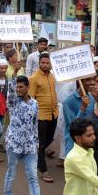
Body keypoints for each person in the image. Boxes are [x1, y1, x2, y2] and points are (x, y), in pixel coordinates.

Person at [45, 77, 96, 195]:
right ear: (79, 83)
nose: (92, 83)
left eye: (93, 81)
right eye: (88, 81)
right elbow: (73, 126)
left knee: (85, 187)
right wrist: (82, 108)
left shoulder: (92, 99)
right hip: (73, 149)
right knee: (77, 188)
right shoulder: (68, 102)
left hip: (88, 148)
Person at [3, 73, 45, 195]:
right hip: (14, 145)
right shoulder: (13, 101)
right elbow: (10, 91)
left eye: (21, 87)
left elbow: (35, 124)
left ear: (28, 87)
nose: (18, 89)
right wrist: (14, 74)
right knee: (11, 172)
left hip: (30, 147)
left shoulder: (34, 103)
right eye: (17, 87)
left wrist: (36, 143)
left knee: (33, 177)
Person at [29, 53, 58, 183]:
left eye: (48, 63)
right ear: (39, 63)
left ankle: (34, 153)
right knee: (41, 143)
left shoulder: (52, 76)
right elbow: (30, 99)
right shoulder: (33, 78)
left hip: (54, 113)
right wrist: (32, 117)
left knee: (50, 138)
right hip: (41, 115)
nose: (46, 65)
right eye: (43, 63)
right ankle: (43, 170)